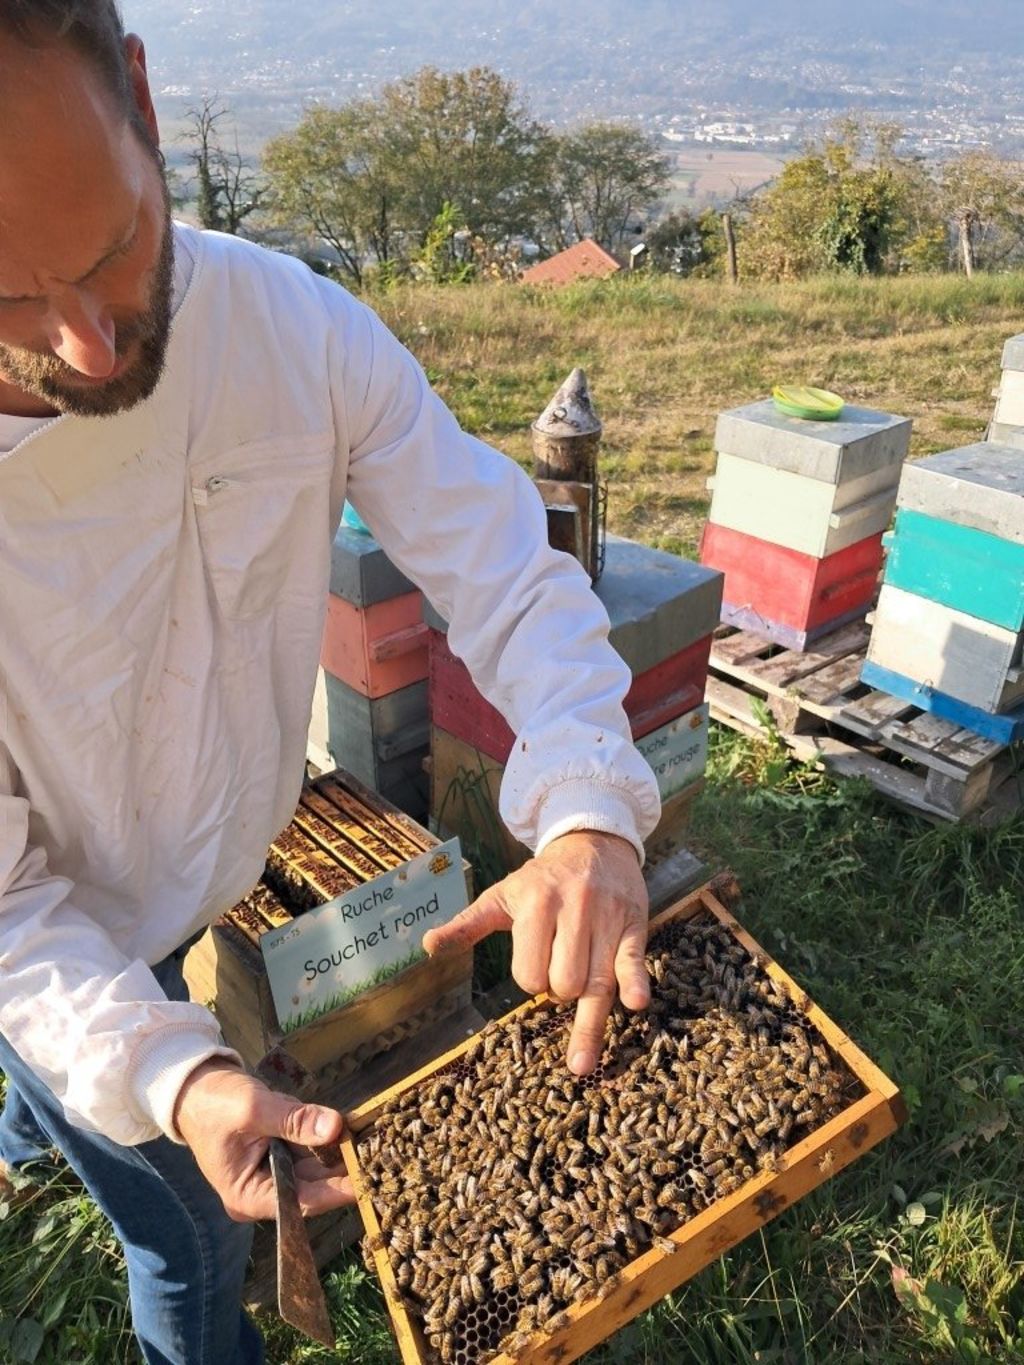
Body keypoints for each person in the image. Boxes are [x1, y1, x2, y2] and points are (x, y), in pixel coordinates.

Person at [0, 2, 661, 1361]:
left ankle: (19, 1125)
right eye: (5, 298)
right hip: (49, 925)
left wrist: (590, 805)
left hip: (202, 876)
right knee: (192, 1238)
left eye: (115, 249)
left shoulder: (295, 328)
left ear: (141, 98)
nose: (89, 348)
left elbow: (505, 565)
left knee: (62, 1066)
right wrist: (170, 1071)